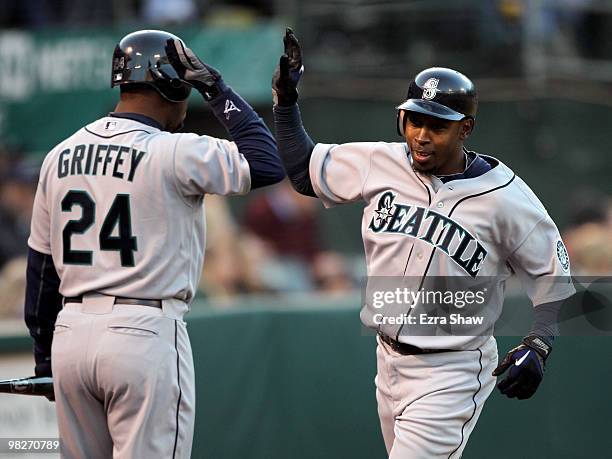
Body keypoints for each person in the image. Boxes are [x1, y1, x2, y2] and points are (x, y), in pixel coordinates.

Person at [272, 28, 575, 458]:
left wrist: (540, 342)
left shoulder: (507, 198)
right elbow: (304, 172)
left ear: (465, 128)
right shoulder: (382, 161)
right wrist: (285, 103)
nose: (421, 135)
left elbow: (555, 275)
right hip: (387, 362)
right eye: (415, 120)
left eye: (438, 125)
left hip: (451, 370)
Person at [24, 29, 284, 458]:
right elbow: (267, 162)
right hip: (142, 332)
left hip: (70, 336)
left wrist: (45, 361)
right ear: (174, 86)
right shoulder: (175, 151)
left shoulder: (59, 154)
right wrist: (216, 88)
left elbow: (42, 271)